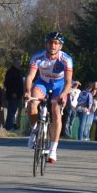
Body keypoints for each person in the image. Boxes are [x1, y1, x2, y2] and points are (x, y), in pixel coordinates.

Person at [24, 31, 74, 163]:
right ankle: (35, 130)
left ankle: (53, 149)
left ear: (60, 46)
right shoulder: (38, 57)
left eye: (56, 43)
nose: (53, 45)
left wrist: (63, 94)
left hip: (59, 86)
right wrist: (28, 91)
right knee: (32, 102)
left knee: (56, 112)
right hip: (43, 83)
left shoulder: (66, 59)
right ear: (46, 44)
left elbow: (69, 82)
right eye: (51, 43)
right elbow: (30, 76)